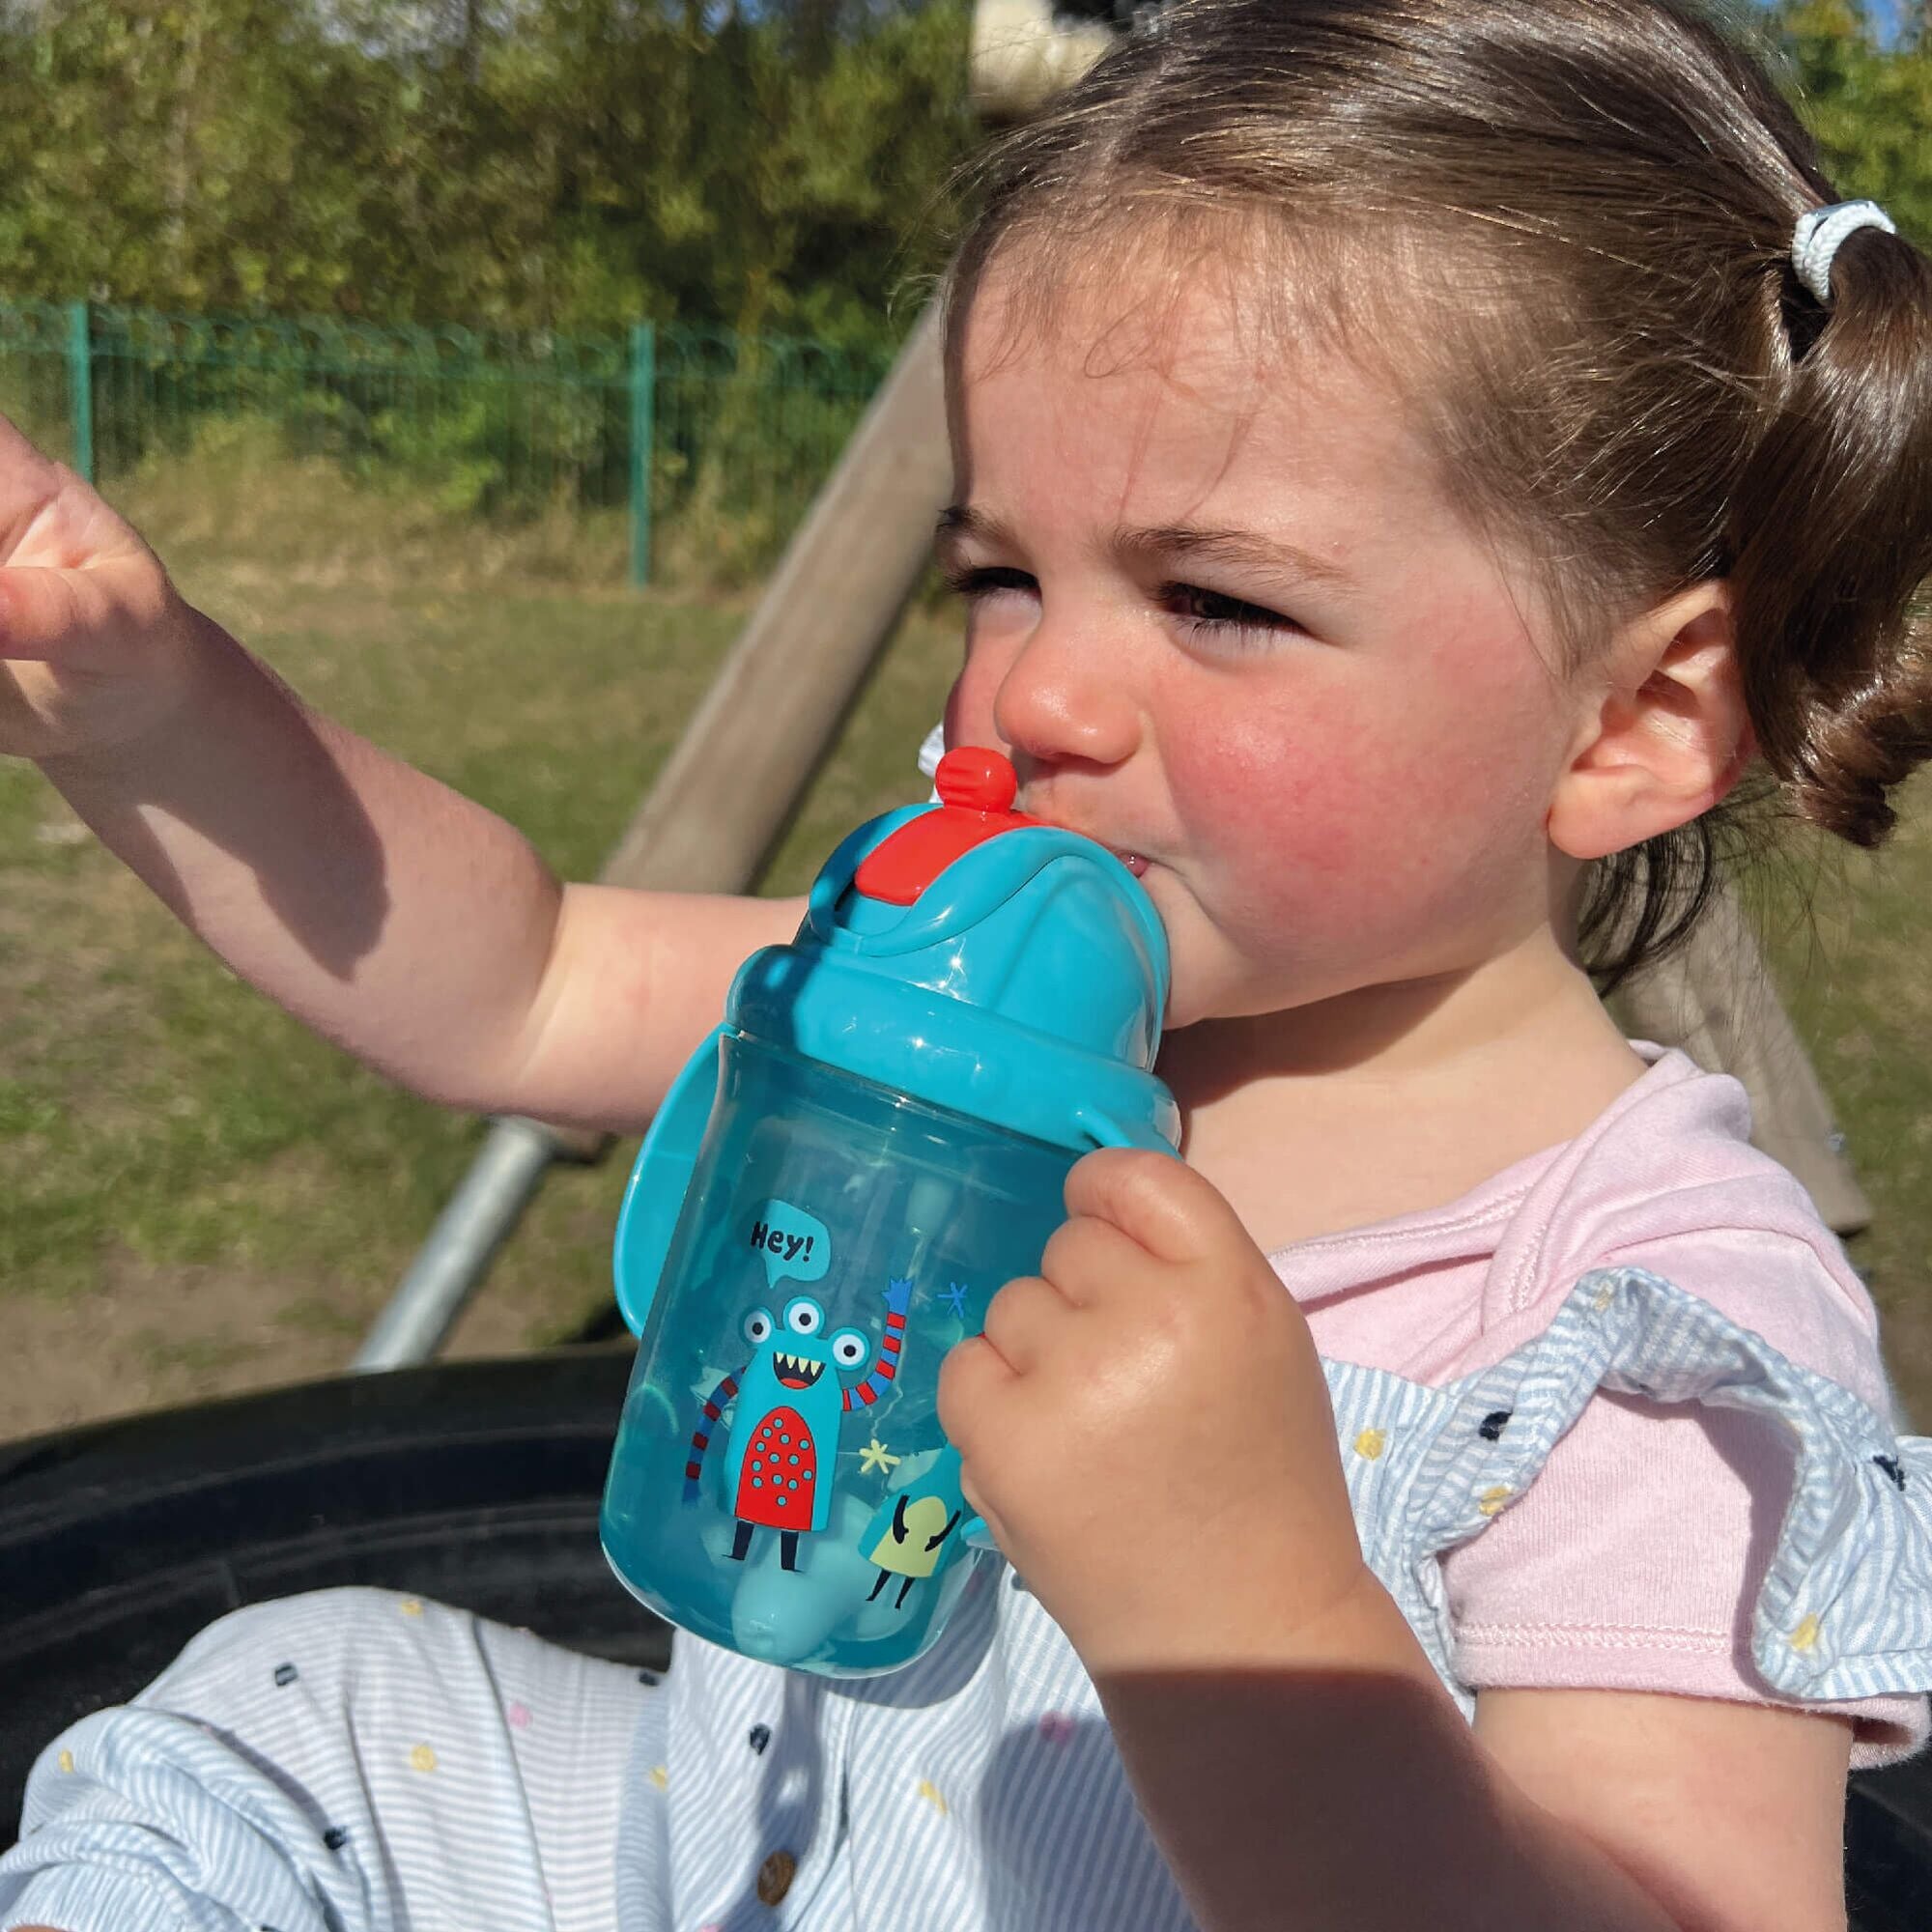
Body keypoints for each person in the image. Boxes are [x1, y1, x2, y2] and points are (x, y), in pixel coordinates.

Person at [4, 0, 1932, 1925]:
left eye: (1216, 598)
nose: (1038, 691)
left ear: (1633, 723)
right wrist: (150, 712)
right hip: (717, 1863)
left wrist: (1252, 1608)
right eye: (998, 574)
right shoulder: (937, 995)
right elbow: (520, 980)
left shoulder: (1643, 1319)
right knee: (296, 1700)